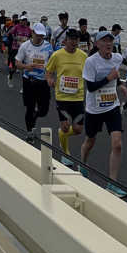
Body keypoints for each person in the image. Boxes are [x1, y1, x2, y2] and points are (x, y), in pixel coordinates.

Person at [80, 29, 127, 197]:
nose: (108, 44)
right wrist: (109, 78)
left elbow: (115, 73)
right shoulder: (91, 62)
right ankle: (83, 164)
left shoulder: (117, 57)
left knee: (117, 144)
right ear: (97, 44)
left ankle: (112, 183)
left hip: (111, 106)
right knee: (90, 141)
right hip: (94, 108)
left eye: (110, 41)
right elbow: (91, 87)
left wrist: (120, 83)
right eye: (104, 41)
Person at [46, 28, 87, 161]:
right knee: (65, 126)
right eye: (71, 39)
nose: (74, 42)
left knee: (78, 129)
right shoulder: (57, 55)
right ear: (66, 40)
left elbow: (90, 72)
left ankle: (62, 134)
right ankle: (65, 153)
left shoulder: (83, 56)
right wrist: (50, 80)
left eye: (76, 40)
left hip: (78, 96)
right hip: (62, 96)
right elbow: (49, 71)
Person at [15, 23, 54, 143]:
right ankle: (30, 132)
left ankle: (35, 117)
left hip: (43, 82)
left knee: (43, 110)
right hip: (29, 81)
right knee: (30, 108)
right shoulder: (25, 46)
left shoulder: (48, 47)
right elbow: (17, 63)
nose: (40, 37)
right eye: (38, 35)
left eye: (42, 36)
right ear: (32, 33)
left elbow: (53, 64)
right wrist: (27, 66)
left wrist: (51, 77)